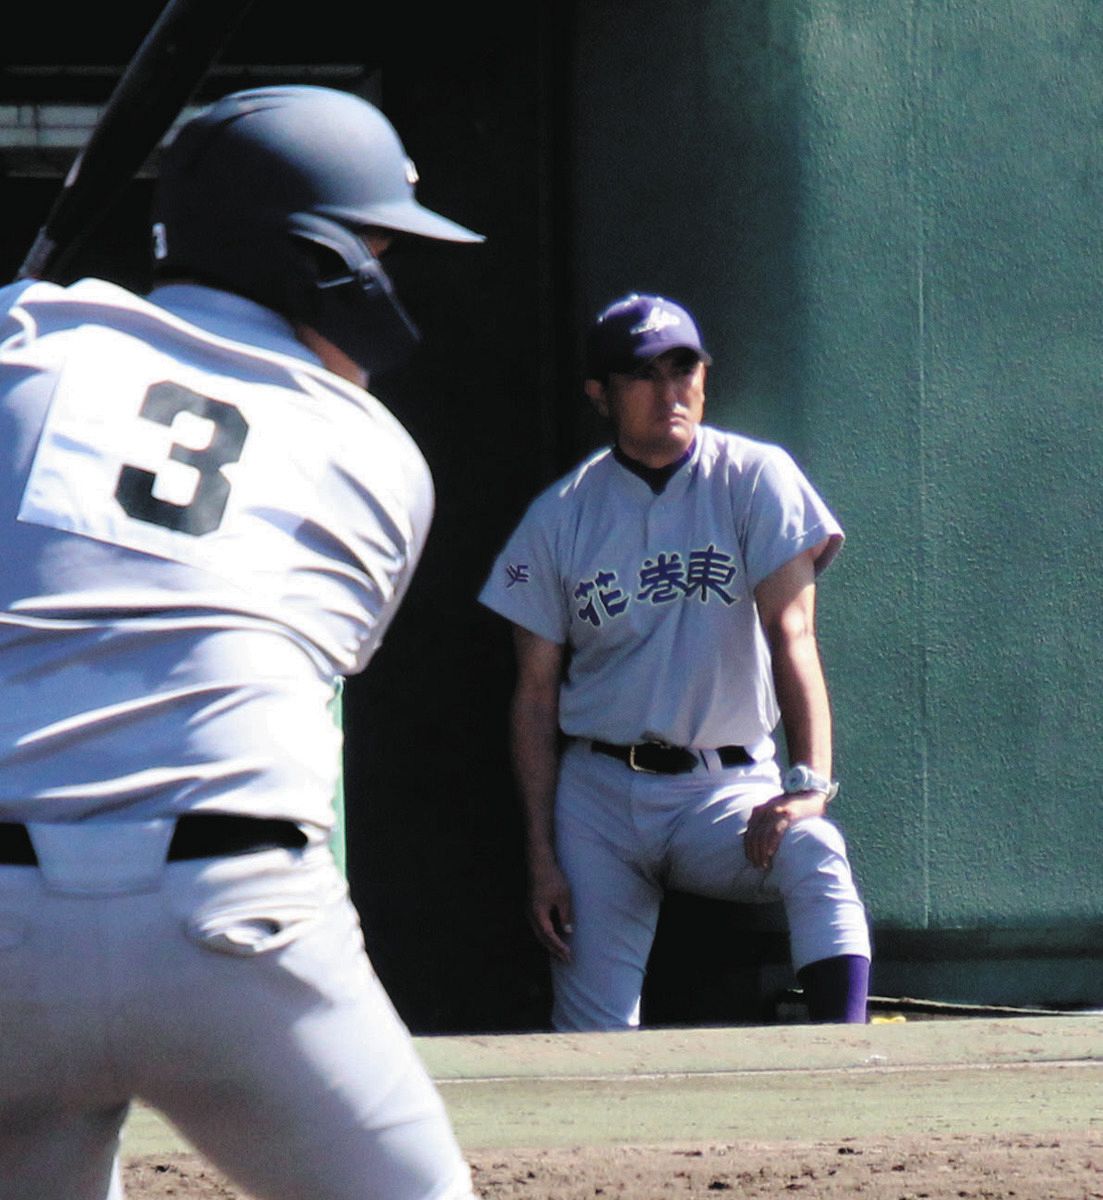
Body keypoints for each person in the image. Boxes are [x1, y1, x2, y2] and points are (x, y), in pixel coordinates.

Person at [0, 85, 483, 1200]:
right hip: (233, 925)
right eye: (376, 246)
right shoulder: (378, 456)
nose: (388, 275)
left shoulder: (28, 340)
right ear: (317, 260)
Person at [478, 292, 871, 1032]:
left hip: (723, 792)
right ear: (599, 393)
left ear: (704, 376)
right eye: (642, 374)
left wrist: (805, 782)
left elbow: (793, 633)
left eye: (681, 367)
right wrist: (541, 854)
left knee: (814, 849)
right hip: (599, 797)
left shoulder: (755, 477)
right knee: (593, 1036)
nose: (669, 390)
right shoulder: (559, 516)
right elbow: (532, 697)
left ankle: (844, 1063)